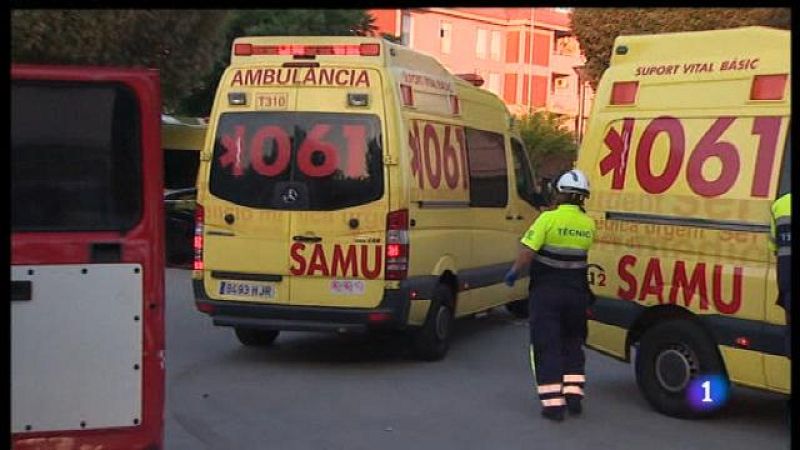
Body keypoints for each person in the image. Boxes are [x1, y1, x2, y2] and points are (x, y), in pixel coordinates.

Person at [504, 169, 596, 422]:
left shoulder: (547, 220)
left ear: (560, 193)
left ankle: (554, 405)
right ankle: (574, 398)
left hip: (547, 293)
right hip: (576, 295)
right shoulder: (588, 225)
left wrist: (513, 272)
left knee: (547, 346)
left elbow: (528, 251)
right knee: (572, 344)